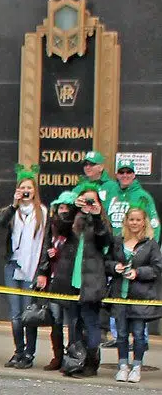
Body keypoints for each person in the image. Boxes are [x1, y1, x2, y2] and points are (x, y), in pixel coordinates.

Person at [47, 184, 112, 378]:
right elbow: (60, 228)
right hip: (71, 279)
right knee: (73, 323)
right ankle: (75, 361)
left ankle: (92, 362)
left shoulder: (101, 223)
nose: (89, 204)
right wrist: (75, 208)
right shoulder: (74, 220)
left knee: (91, 323)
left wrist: (97, 215)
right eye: (86, 200)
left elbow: (104, 240)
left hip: (91, 280)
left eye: (93, 201)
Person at [102, 156, 160, 348]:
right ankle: (118, 336)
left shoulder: (143, 196)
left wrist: (149, 250)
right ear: (117, 174)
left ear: (134, 175)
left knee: (136, 298)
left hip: (139, 253)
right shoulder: (111, 193)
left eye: (129, 172)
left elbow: (154, 225)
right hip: (117, 249)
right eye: (122, 172)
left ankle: (140, 340)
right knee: (117, 295)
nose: (125, 175)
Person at [0, 164, 48, 368]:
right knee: (15, 314)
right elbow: (0, 223)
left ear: (35, 191)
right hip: (12, 265)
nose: (26, 191)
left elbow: (45, 243)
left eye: (29, 188)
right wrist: (13, 204)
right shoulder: (13, 211)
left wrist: (42, 270)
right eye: (22, 188)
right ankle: (18, 351)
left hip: (32, 266)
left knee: (29, 314)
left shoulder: (42, 212)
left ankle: (29, 353)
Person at [106, 207, 162, 383]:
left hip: (140, 296)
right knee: (121, 334)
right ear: (126, 221)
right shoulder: (118, 241)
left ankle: (137, 366)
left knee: (138, 334)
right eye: (131, 219)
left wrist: (138, 273)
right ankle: (123, 366)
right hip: (119, 295)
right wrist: (115, 267)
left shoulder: (150, 244)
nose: (134, 223)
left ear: (144, 222)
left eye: (138, 220)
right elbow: (106, 262)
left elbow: (157, 268)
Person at [36, 191, 77, 371]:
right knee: (56, 321)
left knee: (74, 323)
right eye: (60, 207)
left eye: (67, 208)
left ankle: (73, 357)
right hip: (53, 280)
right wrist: (43, 270)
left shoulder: (76, 227)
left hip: (69, 280)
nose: (63, 212)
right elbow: (45, 247)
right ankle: (58, 356)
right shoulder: (51, 225)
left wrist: (58, 253)